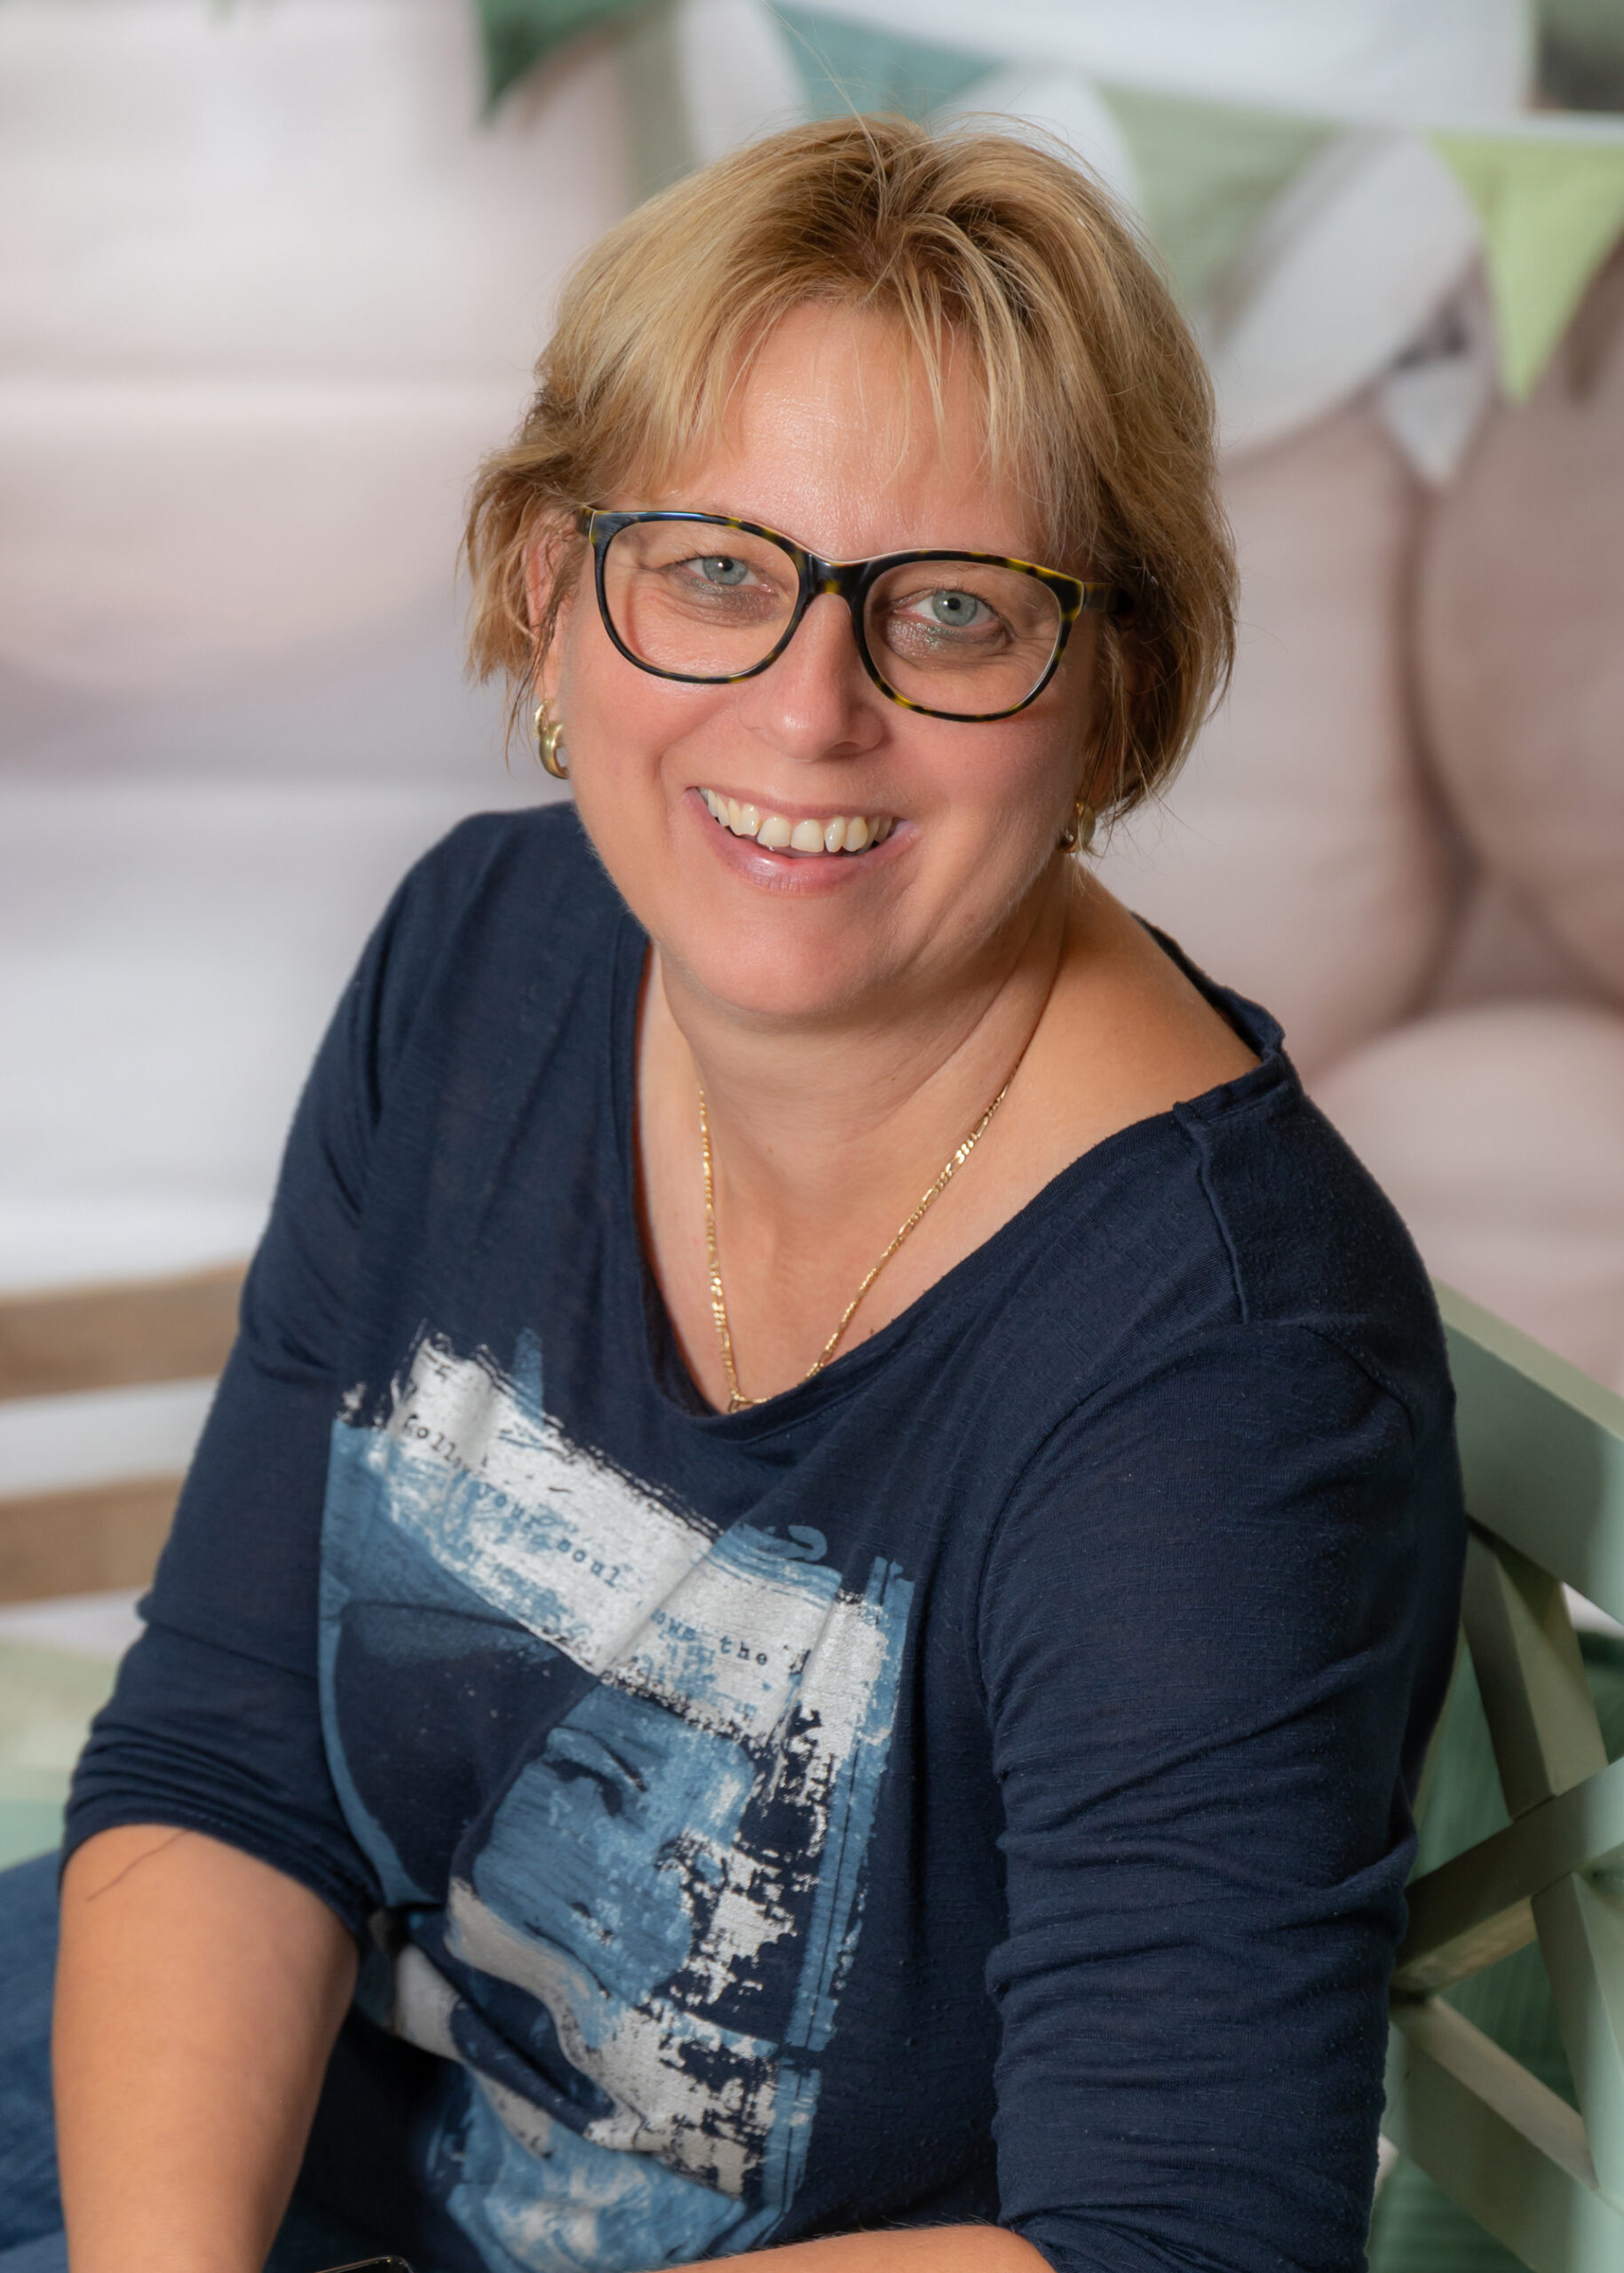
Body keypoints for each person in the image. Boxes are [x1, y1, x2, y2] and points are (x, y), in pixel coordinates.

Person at [12, 115, 1462, 2273]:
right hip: (224, 2136)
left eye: (951, 610)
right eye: (711, 568)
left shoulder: (1225, 1372)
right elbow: (231, 1760)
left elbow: (1174, 2242)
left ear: (1118, 691)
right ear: (549, 592)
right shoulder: (482, 956)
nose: (806, 711)